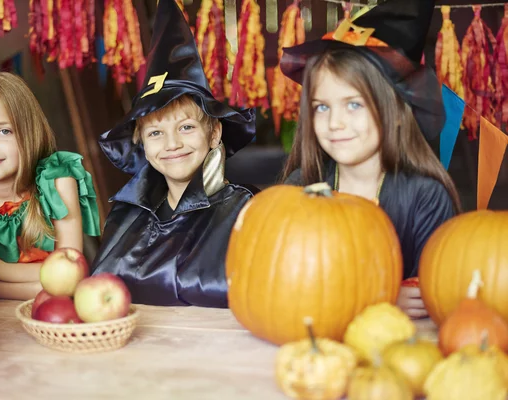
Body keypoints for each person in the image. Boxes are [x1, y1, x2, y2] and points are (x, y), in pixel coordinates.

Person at [279, 0, 462, 319]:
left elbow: (438, 296)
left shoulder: (425, 197)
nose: (335, 122)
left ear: (397, 115)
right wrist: (382, 297)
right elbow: (284, 282)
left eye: (354, 105)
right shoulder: (302, 187)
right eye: (322, 107)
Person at [90, 0, 257, 308]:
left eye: (186, 128)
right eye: (155, 133)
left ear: (214, 133)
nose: (171, 144)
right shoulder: (124, 214)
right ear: (143, 143)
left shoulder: (249, 212)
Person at [0, 71, 100, 301]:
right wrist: (42, 285)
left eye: (4, 131)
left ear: (28, 133)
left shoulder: (58, 183)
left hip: (53, 322)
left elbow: (70, 277)